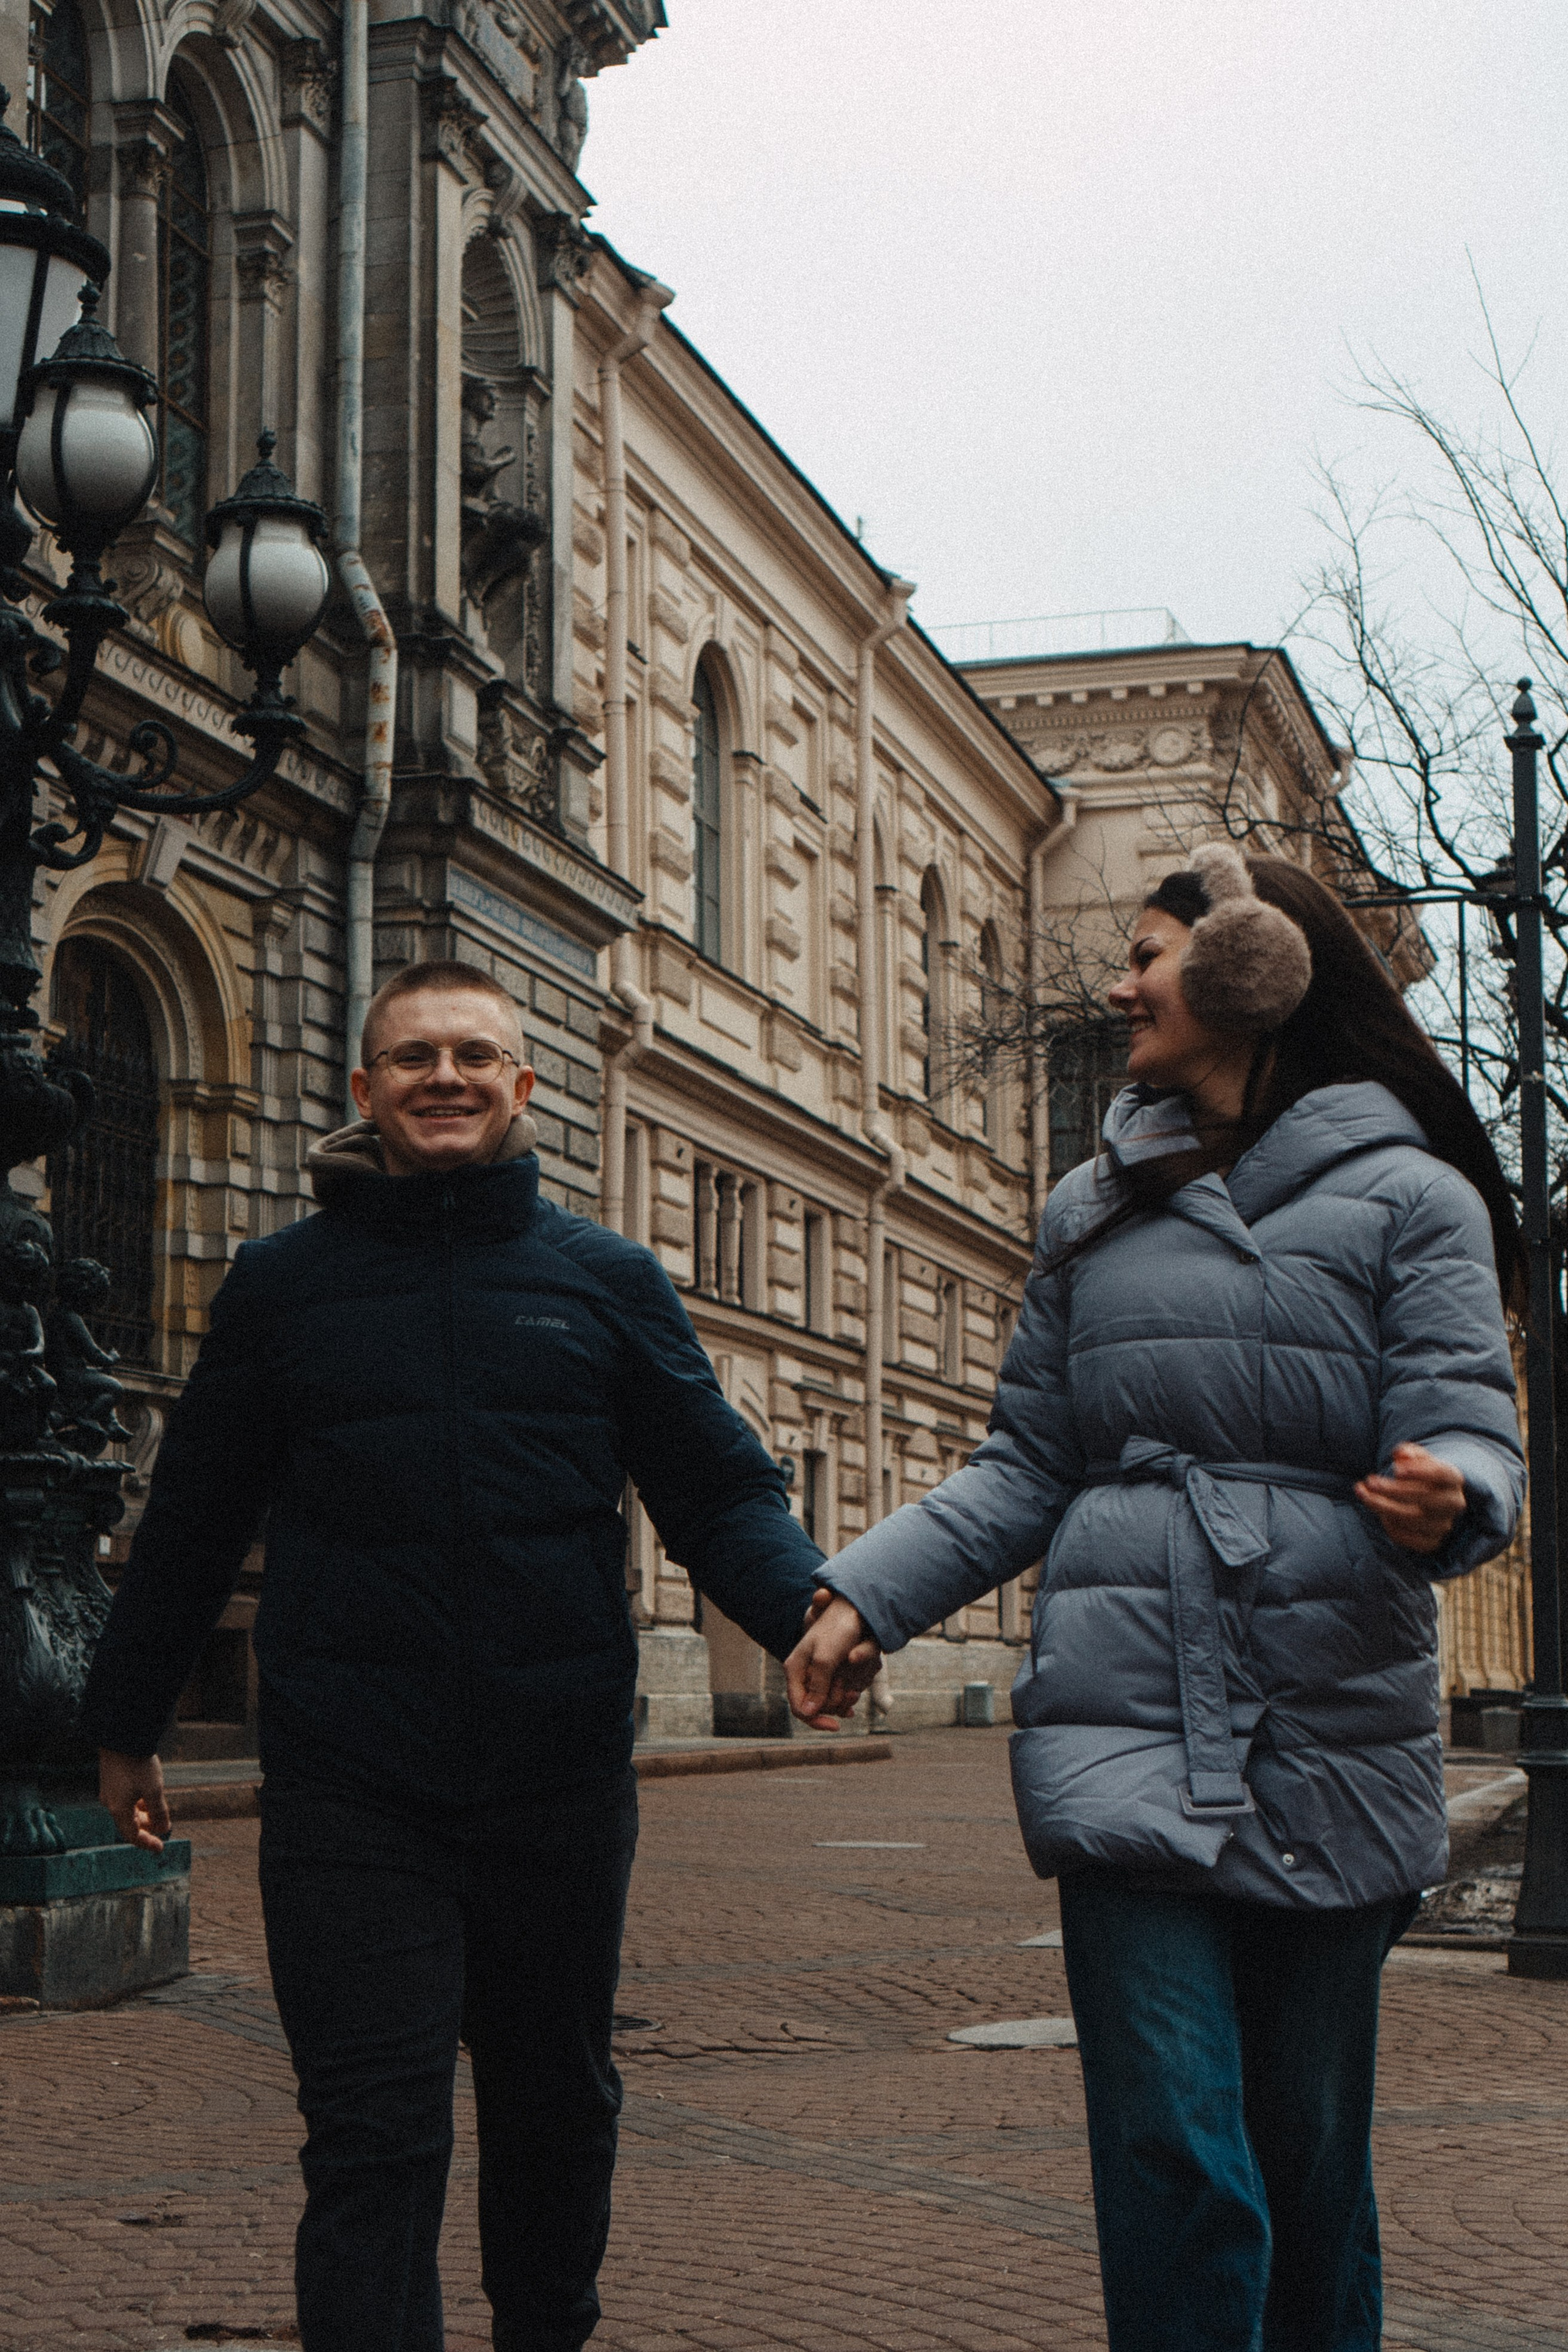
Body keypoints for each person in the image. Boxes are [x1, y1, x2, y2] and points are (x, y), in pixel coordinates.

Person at [789, 846, 1525, 2352]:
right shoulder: (1088, 1209)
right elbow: (1020, 1467)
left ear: (1250, 971)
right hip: (1120, 1718)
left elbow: (1463, 1414)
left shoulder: (1411, 1198)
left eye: (1146, 954)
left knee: (1307, 2158)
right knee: (1173, 2150)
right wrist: (862, 1598)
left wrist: (1453, 1487)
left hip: (1328, 1722)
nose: (1118, 986)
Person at [83, 959, 835, 2352]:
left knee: (558, 2105)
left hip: (554, 1778)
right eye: (415, 1057)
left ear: (523, 1087)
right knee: (371, 2131)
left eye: (475, 1056)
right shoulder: (279, 1286)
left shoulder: (604, 1281)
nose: (446, 1077)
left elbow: (718, 1489)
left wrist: (811, 1613)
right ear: (363, 1091)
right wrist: (125, 1720)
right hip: (351, 1787)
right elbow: (191, 1518)